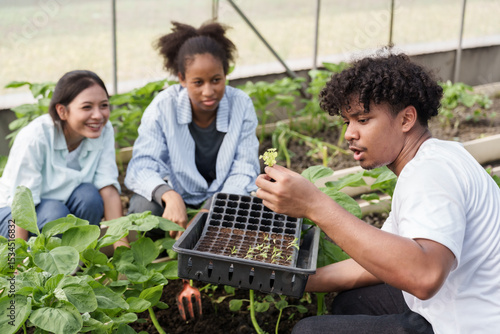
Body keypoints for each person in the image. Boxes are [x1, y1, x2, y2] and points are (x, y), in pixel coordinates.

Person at [255, 52, 500, 333]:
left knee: (308, 331)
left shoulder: (429, 173)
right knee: (354, 303)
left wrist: (315, 205)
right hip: (463, 299)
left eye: (363, 119)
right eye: (347, 122)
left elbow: (425, 276)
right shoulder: (438, 155)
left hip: (473, 323)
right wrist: (287, 279)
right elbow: (375, 263)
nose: (349, 134)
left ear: (406, 119)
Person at [125, 21, 260, 238]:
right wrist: (170, 196)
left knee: (255, 208)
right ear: (182, 79)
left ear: (226, 73)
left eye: (216, 80)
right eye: (198, 82)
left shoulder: (241, 104)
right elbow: (142, 165)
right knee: (144, 213)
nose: (208, 91)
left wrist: (210, 209)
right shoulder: (163, 106)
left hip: (223, 194)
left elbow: (244, 168)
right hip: (176, 191)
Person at [0, 70, 128, 248]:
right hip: (11, 216)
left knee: (89, 197)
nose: (98, 115)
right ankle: (37, 266)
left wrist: (121, 247)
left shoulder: (103, 131)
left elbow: (108, 188)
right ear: (62, 111)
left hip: (59, 206)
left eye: (104, 105)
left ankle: (78, 260)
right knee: (56, 214)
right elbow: (21, 206)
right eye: (87, 107)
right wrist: (16, 261)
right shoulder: (36, 137)